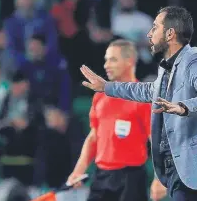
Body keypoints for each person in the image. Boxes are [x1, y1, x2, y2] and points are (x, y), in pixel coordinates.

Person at [80, 6, 197, 201]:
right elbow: (147, 91)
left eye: (155, 28)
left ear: (170, 33)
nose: (149, 34)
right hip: (175, 170)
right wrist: (107, 87)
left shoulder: (195, 60)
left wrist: (183, 107)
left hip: (195, 169)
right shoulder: (167, 67)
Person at [67, 39, 160, 201]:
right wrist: (79, 170)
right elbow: (94, 136)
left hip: (131, 178)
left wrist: (160, 179)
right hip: (101, 175)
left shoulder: (142, 98)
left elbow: (157, 141)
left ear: (129, 61)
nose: (106, 65)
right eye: (106, 60)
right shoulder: (100, 96)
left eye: (113, 60)